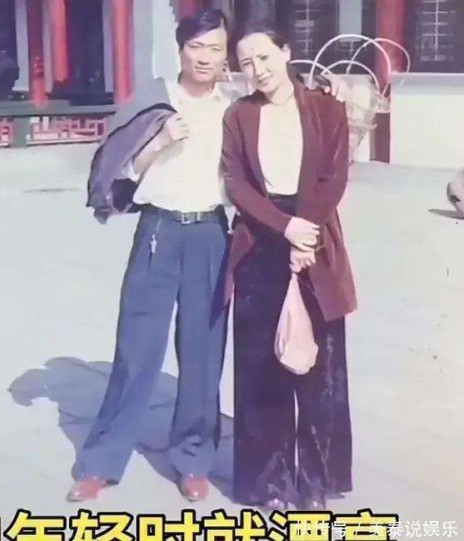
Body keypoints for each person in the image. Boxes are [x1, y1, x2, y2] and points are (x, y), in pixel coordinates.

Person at [69, 9, 233, 502]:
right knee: (136, 350)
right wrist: (158, 143)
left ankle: (193, 458)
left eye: (215, 49)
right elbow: (121, 171)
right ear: (180, 50)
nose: (204, 58)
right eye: (196, 47)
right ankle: (101, 461)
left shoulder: (234, 108)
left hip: (211, 234)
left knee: (203, 354)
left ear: (226, 55)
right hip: (158, 231)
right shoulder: (154, 99)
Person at [220, 19, 358, 511]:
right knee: (262, 368)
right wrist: (284, 228)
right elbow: (235, 182)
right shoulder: (239, 114)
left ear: (285, 52)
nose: (257, 69)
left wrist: (306, 232)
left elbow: (334, 176)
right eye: (246, 63)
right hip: (261, 241)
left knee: (320, 370)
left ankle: (316, 482)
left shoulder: (325, 107)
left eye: (264, 57)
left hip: (316, 238)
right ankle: (269, 483)